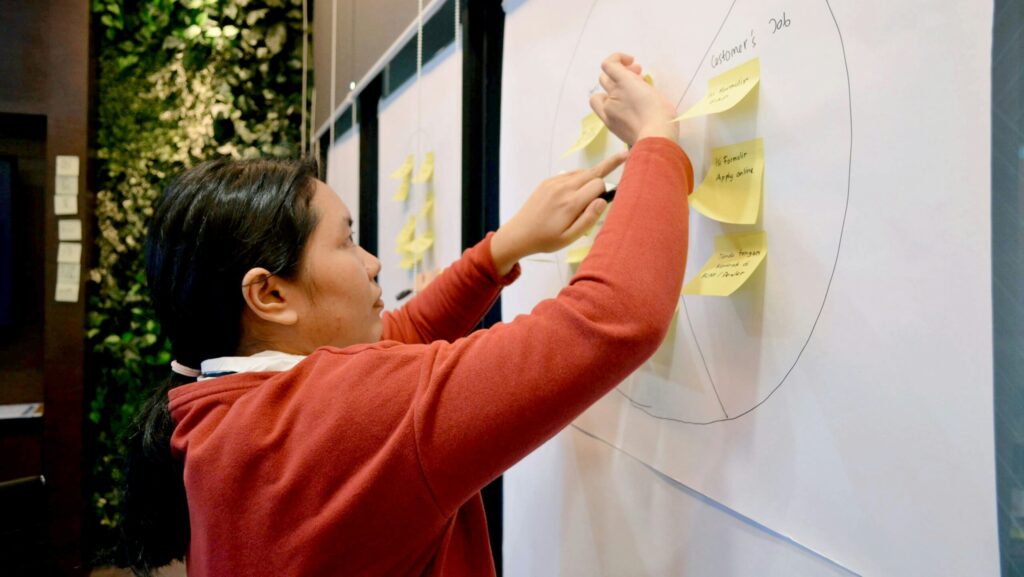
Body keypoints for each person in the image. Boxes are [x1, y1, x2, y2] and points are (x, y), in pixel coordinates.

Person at [119, 53, 693, 577]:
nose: (372, 263)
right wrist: (657, 142)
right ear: (269, 296)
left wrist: (501, 251)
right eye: (346, 243)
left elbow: (403, 332)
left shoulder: (231, 404)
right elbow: (613, 318)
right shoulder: (341, 418)